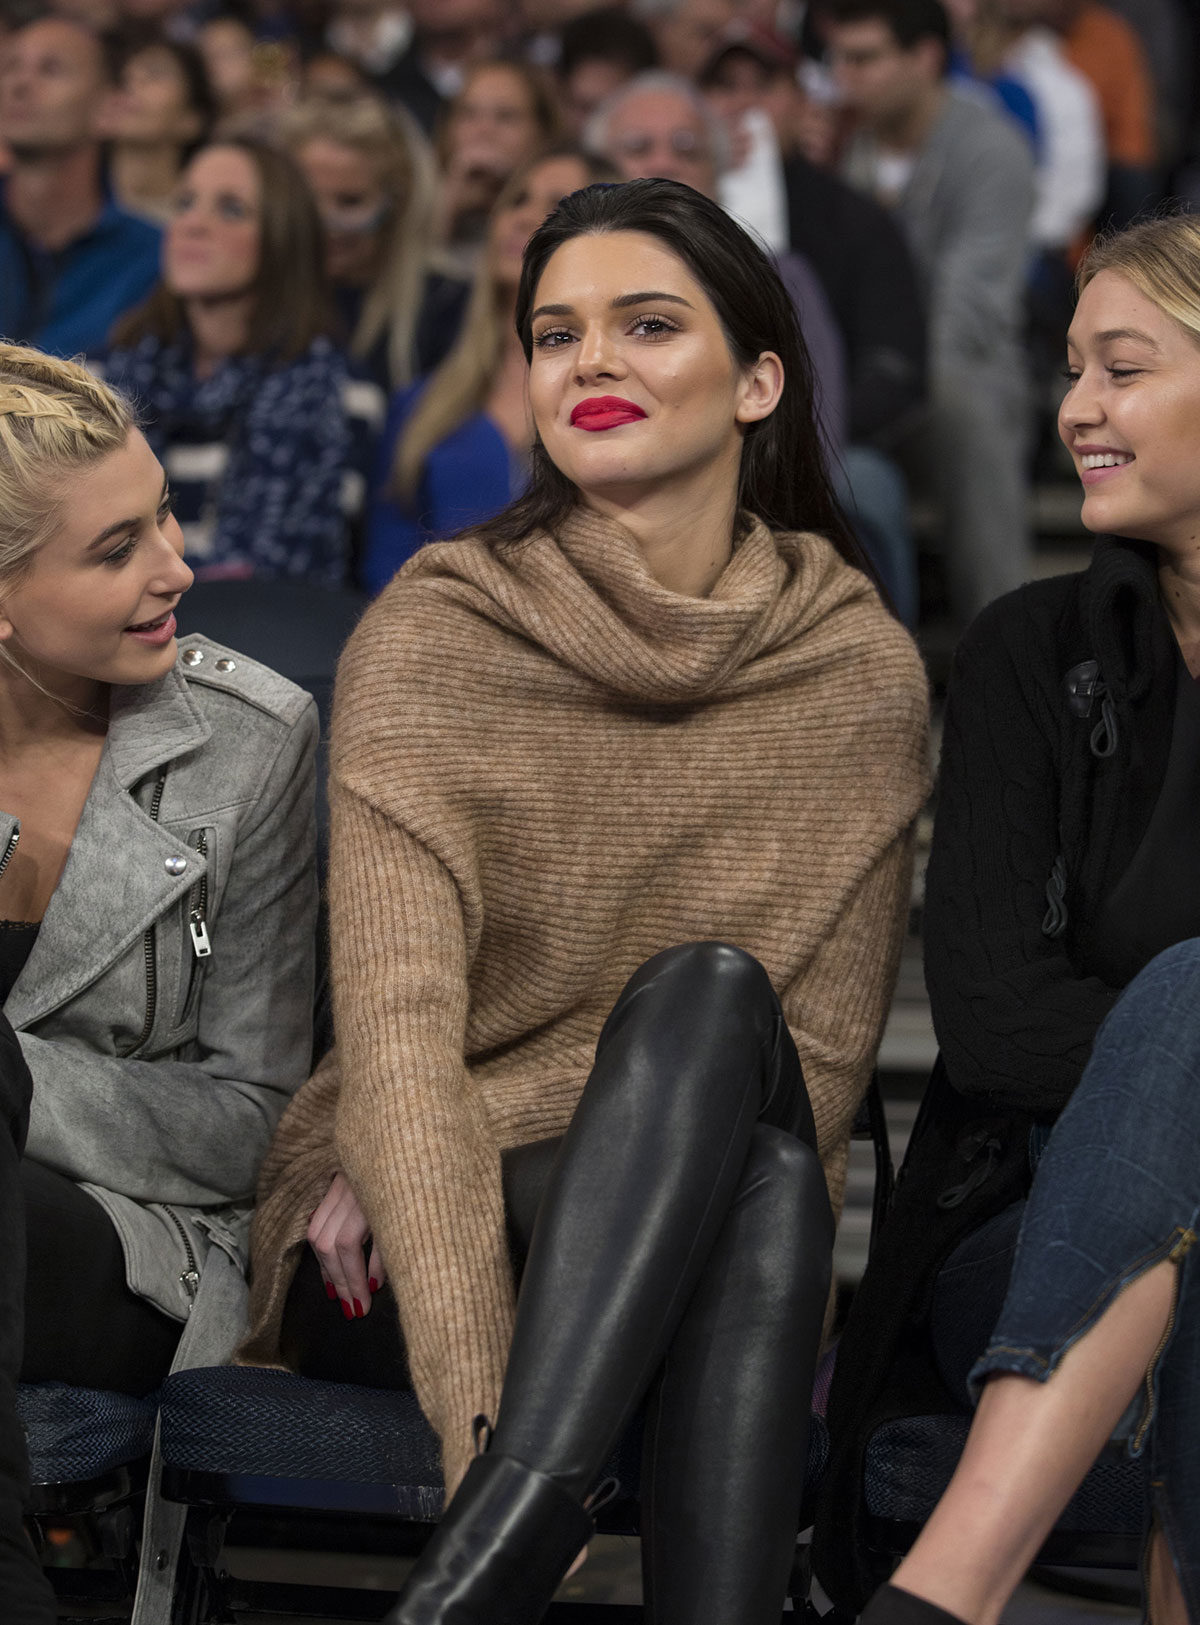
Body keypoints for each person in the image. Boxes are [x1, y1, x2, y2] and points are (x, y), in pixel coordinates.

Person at [240, 176, 929, 1625]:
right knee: (750, 1156)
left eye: (646, 324)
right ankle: (518, 1521)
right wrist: (482, 1423)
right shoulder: (433, 630)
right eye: (555, 333)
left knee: (729, 1060)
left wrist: (588, 1105)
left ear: (759, 379)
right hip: (401, 1232)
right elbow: (401, 1041)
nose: (589, 363)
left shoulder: (857, 673)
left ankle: (469, 1583)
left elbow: (802, 1078)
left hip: (681, 1198)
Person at [815, 211, 1200, 1623]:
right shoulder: (1028, 654)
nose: (1076, 409)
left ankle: (943, 1593)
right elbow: (989, 1019)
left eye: (1125, 368)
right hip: (1034, 1218)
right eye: (1073, 369)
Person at [0, 342, 318, 1625]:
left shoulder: (251, 745)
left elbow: (254, 1121)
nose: (176, 567)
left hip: (134, 1245)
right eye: (115, 547)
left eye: (164, 517)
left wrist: (12, 1084)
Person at [826, 0, 1036, 623]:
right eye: (837, 59)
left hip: (951, 372)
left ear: (925, 57)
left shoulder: (990, 148)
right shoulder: (834, 144)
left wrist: (883, 386)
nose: (844, 77)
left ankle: (1004, 628)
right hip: (852, 368)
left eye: (864, 59)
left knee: (962, 399)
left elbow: (969, 309)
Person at [102, 137, 355, 583]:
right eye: (185, 203)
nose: (193, 224)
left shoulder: (338, 393)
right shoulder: (106, 380)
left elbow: (298, 580)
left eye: (231, 209)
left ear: (283, 239)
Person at [362, 147, 614, 592]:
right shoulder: (419, 405)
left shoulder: (621, 394)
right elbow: (385, 573)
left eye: (557, 206)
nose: (522, 218)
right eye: (516, 200)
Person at [281, 95, 468, 393]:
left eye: (350, 201)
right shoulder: (256, 296)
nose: (325, 224)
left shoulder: (449, 305)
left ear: (396, 202)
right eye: (308, 200)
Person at [0, 16, 162, 357]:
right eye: (10, 66)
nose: (18, 83)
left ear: (111, 108)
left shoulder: (152, 262)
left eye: (51, 69)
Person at [433, 58, 563, 278]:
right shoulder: (423, 195)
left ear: (542, 133)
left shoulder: (565, 198)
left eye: (506, 117)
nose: (483, 131)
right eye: (468, 114)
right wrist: (447, 207)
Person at [102, 35, 217, 223]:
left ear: (191, 120)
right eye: (123, 79)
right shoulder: (69, 199)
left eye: (155, 74)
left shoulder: (200, 221)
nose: (134, 84)